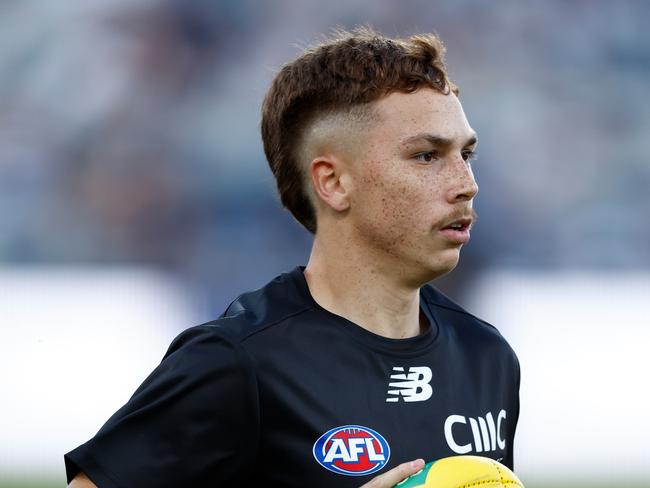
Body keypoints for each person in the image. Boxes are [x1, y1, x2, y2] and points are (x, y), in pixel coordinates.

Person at [65, 27, 520, 487]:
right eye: (426, 156)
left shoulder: (486, 356)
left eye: (467, 154)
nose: (466, 183)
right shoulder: (237, 361)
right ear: (334, 183)